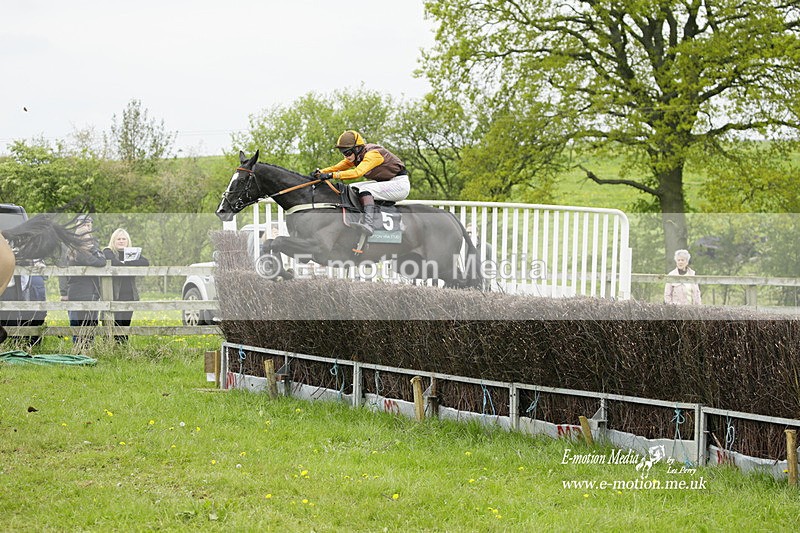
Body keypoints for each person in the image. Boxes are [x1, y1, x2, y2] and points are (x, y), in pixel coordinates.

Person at [313, 130, 409, 236]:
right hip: (386, 183)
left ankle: (368, 224)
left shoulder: (373, 154)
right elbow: (337, 167)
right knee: (350, 188)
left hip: (399, 184)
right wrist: (321, 172)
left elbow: (357, 173)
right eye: (343, 153)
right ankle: (357, 217)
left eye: (348, 153)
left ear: (357, 148)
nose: (346, 156)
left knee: (365, 190)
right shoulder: (357, 155)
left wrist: (332, 175)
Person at [61, 215, 105, 346]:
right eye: (83, 223)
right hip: (80, 290)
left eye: (88, 223)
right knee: (79, 321)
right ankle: (80, 349)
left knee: (89, 321)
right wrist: (63, 292)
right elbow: (100, 261)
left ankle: (86, 348)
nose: (86, 226)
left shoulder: (92, 246)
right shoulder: (76, 251)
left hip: (90, 289)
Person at [102, 228, 150, 343]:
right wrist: (126, 264)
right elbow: (114, 262)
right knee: (114, 323)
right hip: (114, 295)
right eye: (118, 239)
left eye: (124, 239)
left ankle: (123, 348)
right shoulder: (108, 251)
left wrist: (127, 263)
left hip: (129, 294)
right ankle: (111, 346)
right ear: (113, 240)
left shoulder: (132, 253)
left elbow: (145, 262)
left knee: (125, 324)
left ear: (128, 241)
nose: (121, 241)